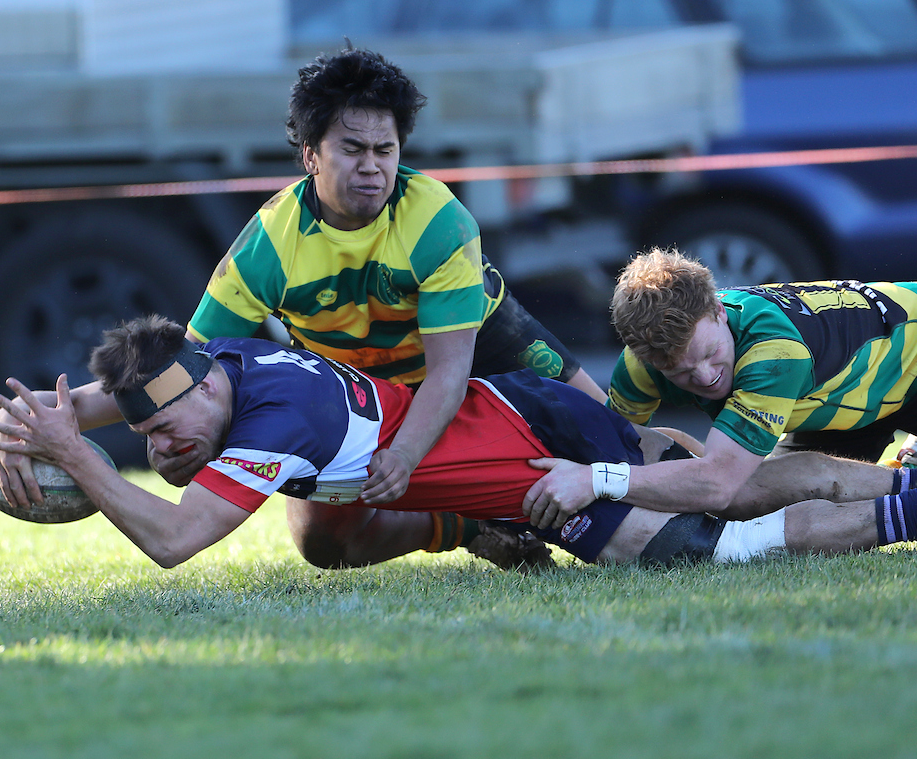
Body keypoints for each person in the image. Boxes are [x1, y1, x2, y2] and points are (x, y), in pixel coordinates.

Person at [0, 316, 917, 572]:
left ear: (213, 384)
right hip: (515, 412)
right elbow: (151, 398)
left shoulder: (274, 423)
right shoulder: (231, 363)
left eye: (173, 429)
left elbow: (172, 540)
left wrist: (77, 461)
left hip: (526, 457)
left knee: (721, 536)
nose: (167, 448)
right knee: (713, 482)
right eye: (149, 434)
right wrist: (64, 421)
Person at [149, 45, 617, 566]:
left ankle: (708, 502)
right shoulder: (271, 243)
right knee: (325, 546)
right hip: (359, 389)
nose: (371, 167)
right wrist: (103, 417)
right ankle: (465, 528)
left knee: (616, 437)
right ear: (310, 154)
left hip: (476, 348)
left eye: (384, 150)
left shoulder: (438, 218)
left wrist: (406, 455)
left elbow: (449, 372)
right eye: (352, 149)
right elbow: (185, 366)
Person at [521, 247, 917, 536]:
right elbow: (618, 442)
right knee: (783, 505)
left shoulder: (773, 352)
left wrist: (597, 480)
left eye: (711, 355)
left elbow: (717, 483)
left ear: (717, 310)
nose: (706, 377)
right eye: (681, 373)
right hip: (836, 404)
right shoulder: (643, 363)